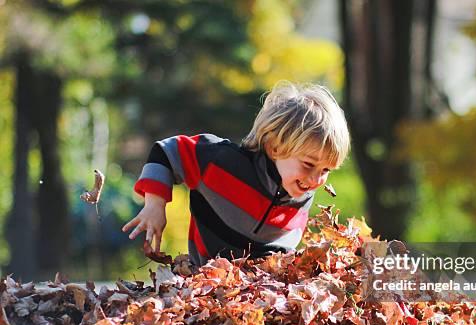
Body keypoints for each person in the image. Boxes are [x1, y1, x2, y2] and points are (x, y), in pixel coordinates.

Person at [122, 81, 350, 266]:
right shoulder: (221, 161)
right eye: (309, 164)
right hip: (205, 285)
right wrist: (155, 204)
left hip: (256, 301)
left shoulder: (301, 197)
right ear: (275, 147)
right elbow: (166, 152)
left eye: (326, 170)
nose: (316, 179)